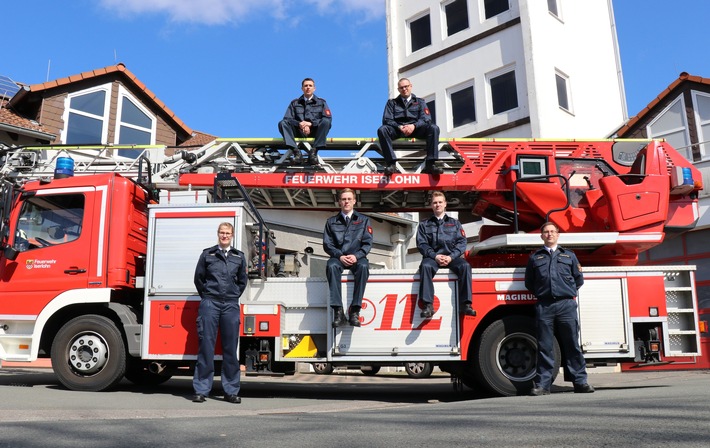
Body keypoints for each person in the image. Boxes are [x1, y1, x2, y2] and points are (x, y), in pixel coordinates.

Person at [524, 222, 595, 396]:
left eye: (552, 231)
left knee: (572, 344)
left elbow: (579, 280)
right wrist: (544, 294)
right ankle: (543, 385)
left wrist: (565, 292)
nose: (549, 234)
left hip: (566, 305)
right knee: (544, 346)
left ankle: (580, 382)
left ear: (558, 234)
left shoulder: (569, 256)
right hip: (545, 305)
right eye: (546, 232)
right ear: (541, 236)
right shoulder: (535, 258)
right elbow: (529, 283)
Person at [192, 222, 248, 404]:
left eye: (228, 233)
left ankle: (231, 391)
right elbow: (198, 279)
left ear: (232, 235)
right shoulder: (207, 254)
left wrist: (231, 295)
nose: (224, 236)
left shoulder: (239, 257)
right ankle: (201, 390)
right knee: (206, 347)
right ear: (218, 234)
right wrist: (209, 295)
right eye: (222, 233)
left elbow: (242, 281)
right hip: (210, 303)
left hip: (230, 304)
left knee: (230, 349)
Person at [416, 191, 475, 318]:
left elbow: (462, 242)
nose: (438, 205)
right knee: (425, 266)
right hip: (432, 258)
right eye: (435, 203)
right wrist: (435, 256)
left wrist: (451, 257)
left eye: (440, 202)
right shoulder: (423, 225)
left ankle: (466, 304)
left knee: (465, 266)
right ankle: (427, 305)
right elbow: (422, 244)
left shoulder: (455, 223)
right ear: (431, 205)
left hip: (452, 257)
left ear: (445, 204)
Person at [323, 188, 372, 327]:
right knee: (331, 266)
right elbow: (327, 244)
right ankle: (338, 311)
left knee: (363, 266)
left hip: (357, 258)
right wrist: (339, 256)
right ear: (339, 202)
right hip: (338, 258)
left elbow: (368, 243)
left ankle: (355, 311)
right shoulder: (331, 222)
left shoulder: (364, 220)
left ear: (354, 201)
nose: (346, 202)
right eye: (344, 199)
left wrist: (357, 256)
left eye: (349, 199)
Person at [377, 78, 442, 176]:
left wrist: (414, 126)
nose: (404, 89)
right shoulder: (392, 103)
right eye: (401, 87)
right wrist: (399, 126)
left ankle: (430, 164)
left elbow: (426, 119)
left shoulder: (420, 102)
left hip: (416, 129)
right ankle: (391, 164)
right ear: (398, 89)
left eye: (406, 86)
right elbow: (387, 120)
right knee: (382, 130)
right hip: (398, 130)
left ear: (410, 86)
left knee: (434, 128)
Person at [278, 77, 332, 165]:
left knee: (326, 122)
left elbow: (328, 118)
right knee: (282, 123)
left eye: (310, 85)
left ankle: (314, 152)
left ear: (314, 88)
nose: (308, 87)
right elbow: (287, 119)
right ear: (302, 88)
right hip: (298, 131)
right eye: (305, 85)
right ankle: (296, 152)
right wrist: (299, 124)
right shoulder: (295, 103)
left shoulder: (321, 102)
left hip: (315, 132)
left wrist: (310, 124)